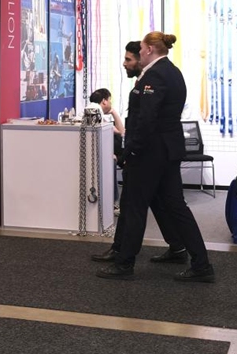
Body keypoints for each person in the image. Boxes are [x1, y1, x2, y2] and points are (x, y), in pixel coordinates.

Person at [92, 33, 214, 282]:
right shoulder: (173, 71)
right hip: (167, 151)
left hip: (150, 152)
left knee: (135, 207)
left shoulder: (155, 75)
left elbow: (146, 119)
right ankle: (201, 263)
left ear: (148, 49)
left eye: (141, 49)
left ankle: (125, 263)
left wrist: (131, 150)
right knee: (176, 206)